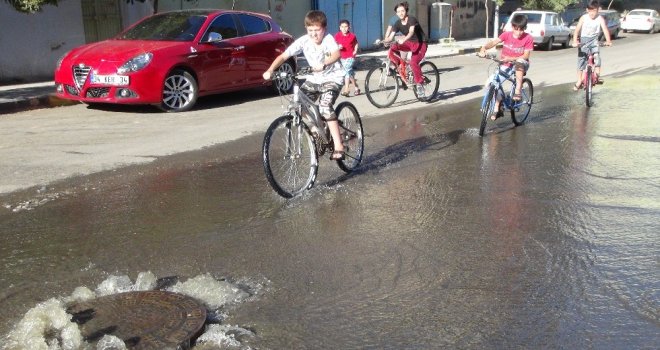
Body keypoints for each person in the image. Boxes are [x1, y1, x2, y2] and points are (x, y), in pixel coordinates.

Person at [262, 10, 346, 160]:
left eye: (317, 30)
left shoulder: (328, 39)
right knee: (297, 105)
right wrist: (270, 70)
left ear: (324, 29)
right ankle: (317, 126)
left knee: (325, 107)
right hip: (314, 79)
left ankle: (339, 145)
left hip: (333, 78)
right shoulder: (304, 41)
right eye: (310, 30)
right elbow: (283, 56)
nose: (314, 34)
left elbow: (336, 54)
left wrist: (324, 64)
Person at [479, 13, 533, 120]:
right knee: (490, 84)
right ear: (512, 26)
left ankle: (518, 91)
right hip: (506, 64)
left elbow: (526, 55)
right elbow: (494, 42)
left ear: (525, 28)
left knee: (520, 62)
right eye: (516, 29)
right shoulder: (506, 35)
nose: (518, 32)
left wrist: (511, 58)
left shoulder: (528, 38)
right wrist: (484, 48)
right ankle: (498, 107)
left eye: (521, 29)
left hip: (521, 63)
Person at [382, 2, 429, 96]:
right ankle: (400, 66)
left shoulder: (412, 19)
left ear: (406, 11)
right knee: (393, 47)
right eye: (398, 11)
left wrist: (403, 39)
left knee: (413, 62)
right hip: (409, 43)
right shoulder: (397, 23)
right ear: (396, 13)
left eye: (402, 11)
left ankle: (420, 84)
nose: (400, 13)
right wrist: (384, 41)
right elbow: (391, 37)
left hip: (420, 43)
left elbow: (411, 32)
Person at [572, 0, 612, 91]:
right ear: (587, 10)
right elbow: (577, 30)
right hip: (584, 40)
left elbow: (605, 29)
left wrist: (608, 41)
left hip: (594, 40)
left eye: (594, 11)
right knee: (581, 61)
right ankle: (579, 80)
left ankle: (597, 75)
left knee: (597, 56)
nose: (592, 13)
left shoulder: (600, 18)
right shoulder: (584, 18)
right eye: (590, 10)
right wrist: (575, 41)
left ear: (598, 10)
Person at [334, 19, 360, 97]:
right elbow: (333, 44)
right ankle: (356, 88)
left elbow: (356, 43)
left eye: (346, 27)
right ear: (340, 27)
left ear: (349, 27)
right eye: (342, 27)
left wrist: (355, 50)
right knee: (349, 72)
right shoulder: (337, 35)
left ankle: (346, 89)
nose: (344, 28)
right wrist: (338, 46)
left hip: (350, 57)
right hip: (342, 57)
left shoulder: (352, 36)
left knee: (346, 71)